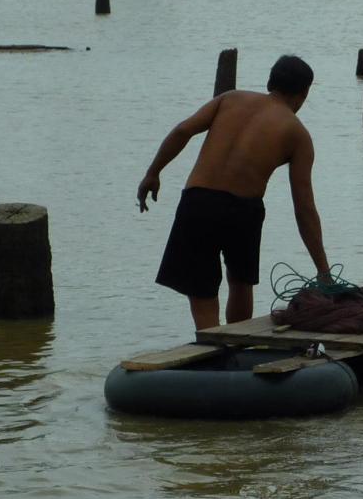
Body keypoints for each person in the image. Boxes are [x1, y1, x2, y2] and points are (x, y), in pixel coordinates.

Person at [137, 54, 331, 331]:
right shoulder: (297, 134)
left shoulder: (230, 99)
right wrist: (323, 270)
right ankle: (238, 343)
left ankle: (210, 342)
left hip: (198, 202)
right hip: (243, 210)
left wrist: (153, 173)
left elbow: (182, 130)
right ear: (304, 93)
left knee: (201, 290)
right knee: (240, 282)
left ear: (270, 83)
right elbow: (304, 207)